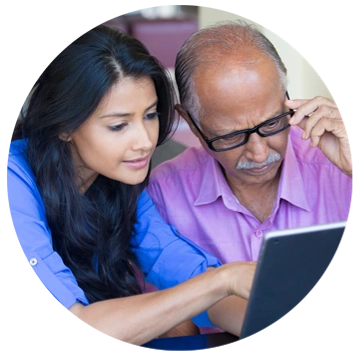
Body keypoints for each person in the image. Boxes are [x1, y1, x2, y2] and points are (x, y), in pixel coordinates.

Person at [6, 24, 256, 346]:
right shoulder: (13, 179)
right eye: (119, 125)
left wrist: (289, 319)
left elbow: (185, 270)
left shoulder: (118, 181)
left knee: (179, 329)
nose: (145, 142)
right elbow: (65, 332)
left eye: (150, 115)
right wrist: (224, 279)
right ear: (64, 126)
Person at [147, 20, 358, 267]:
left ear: (284, 95)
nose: (259, 154)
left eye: (271, 124)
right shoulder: (165, 193)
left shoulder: (340, 167)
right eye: (230, 136)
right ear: (191, 123)